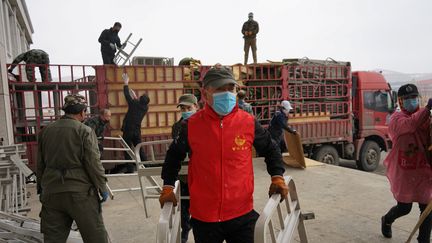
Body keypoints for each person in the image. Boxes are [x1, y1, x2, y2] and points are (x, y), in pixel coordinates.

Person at [160, 65, 288, 243]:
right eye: (220, 89)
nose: (227, 94)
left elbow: (271, 148)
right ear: (205, 94)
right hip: (204, 218)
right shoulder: (191, 126)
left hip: (242, 213)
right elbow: (173, 157)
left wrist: (277, 176)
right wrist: (167, 185)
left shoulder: (248, 122)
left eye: (231, 88)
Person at [37, 94, 109, 243]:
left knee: (53, 239)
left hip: (52, 193)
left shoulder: (46, 131)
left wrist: (41, 188)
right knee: (95, 237)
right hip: (80, 194)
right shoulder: (84, 131)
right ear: (82, 112)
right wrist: (102, 186)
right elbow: (93, 163)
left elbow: (40, 164)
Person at [381, 83, 432, 242]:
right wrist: (426, 109)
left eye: (414, 98)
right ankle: (387, 219)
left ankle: (423, 240)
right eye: (407, 99)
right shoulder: (396, 120)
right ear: (400, 101)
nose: (411, 101)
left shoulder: (425, 118)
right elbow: (410, 125)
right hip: (404, 171)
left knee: (427, 209)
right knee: (404, 207)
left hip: (423, 169)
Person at [171, 93, 199, 243]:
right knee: (183, 203)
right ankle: (185, 230)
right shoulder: (177, 127)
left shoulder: (204, 124)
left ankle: (197, 226)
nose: (185, 111)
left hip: (201, 173)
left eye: (188, 107)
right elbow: (175, 152)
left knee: (200, 203)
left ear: (196, 107)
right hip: (183, 173)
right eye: (182, 108)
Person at [115, 73, 149, 173]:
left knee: (128, 149)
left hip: (128, 130)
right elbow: (137, 102)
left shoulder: (134, 104)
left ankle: (130, 170)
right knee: (139, 149)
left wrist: (126, 83)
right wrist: (134, 95)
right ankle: (147, 167)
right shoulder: (145, 107)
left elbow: (126, 95)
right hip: (137, 131)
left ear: (139, 100)